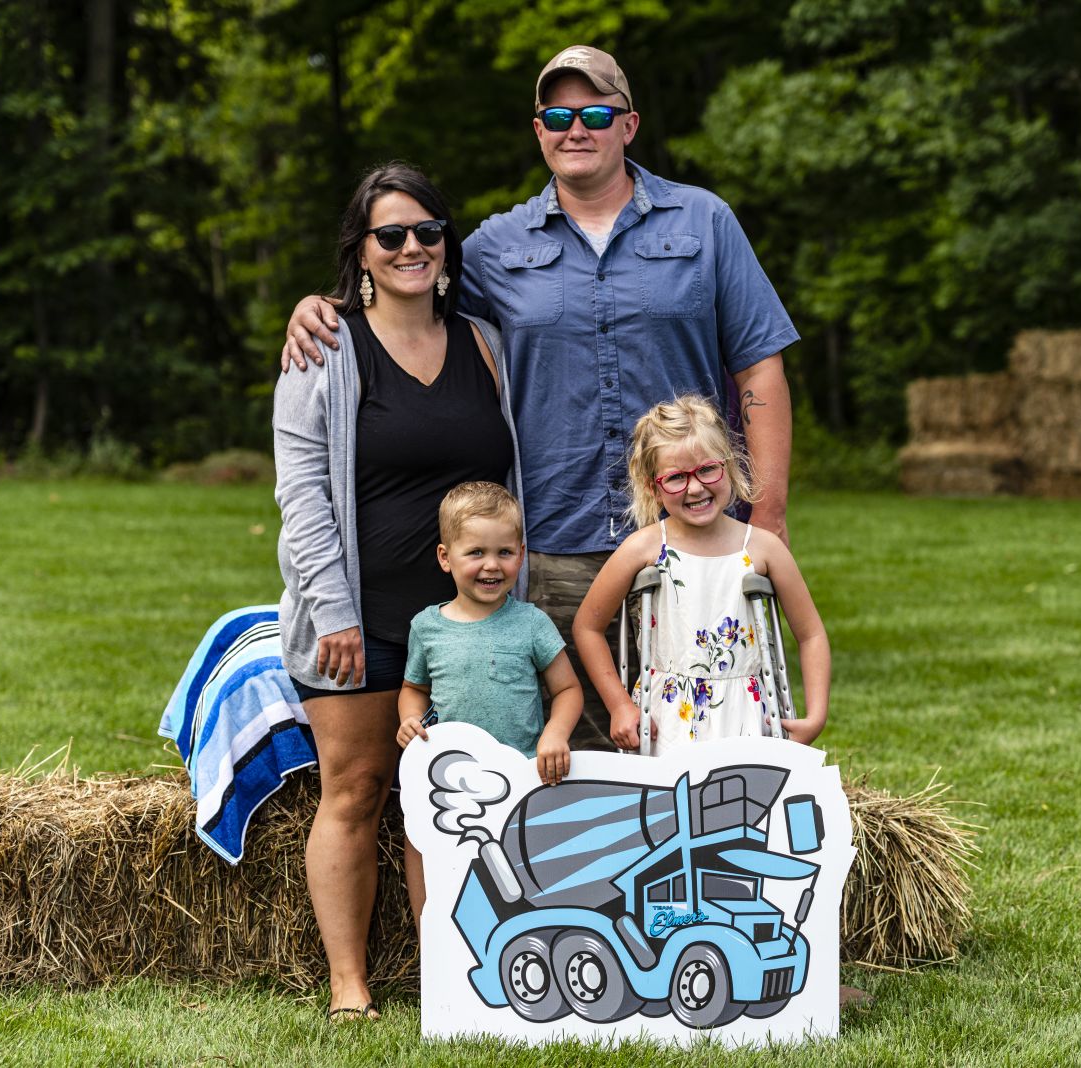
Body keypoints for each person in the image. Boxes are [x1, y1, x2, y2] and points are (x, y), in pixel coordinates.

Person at [281, 45, 800, 753]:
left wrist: (767, 515)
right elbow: (408, 294)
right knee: (569, 766)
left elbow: (760, 368)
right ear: (538, 131)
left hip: (694, 538)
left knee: (708, 744)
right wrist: (326, 305)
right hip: (555, 546)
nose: (575, 129)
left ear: (629, 125)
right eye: (558, 116)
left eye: (595, 114)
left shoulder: (705, 223)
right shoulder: (495, 246)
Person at [273, 162, 520, 1023]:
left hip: (470, 626)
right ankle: (350, 985)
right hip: (362, 622)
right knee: (357, 787)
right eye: (391, 235)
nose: (412, 246)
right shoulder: (325, 347)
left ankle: (448, 977)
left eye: (427, 231)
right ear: (362, 251)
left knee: (450, 798)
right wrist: (333, 611)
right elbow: (303, 493)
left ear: (447, 244)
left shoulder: (485, 343)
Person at [571, 396, 829, 755]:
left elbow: (811, 633)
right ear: (653, 487)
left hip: (745, 715)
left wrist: (816, 715)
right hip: (667, 719)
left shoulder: (763, 548)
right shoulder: (644, 547)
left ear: (730, 466)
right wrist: (619, 705)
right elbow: (588, 626)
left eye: (707, 470)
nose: (695, 488)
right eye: (676, 477)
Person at [395, 480, 583, 924]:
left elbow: (568, 690)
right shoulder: (427, 627)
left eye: (504, 552)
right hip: (449, 781)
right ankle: (433, 944)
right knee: (428, 852)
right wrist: (409, 720)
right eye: (476, 552)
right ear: (446, 557)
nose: (492, 565)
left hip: (520, 776)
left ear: (521, 554)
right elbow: (414, 688)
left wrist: (555, 734)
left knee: (515, 870)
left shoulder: (531, 623)